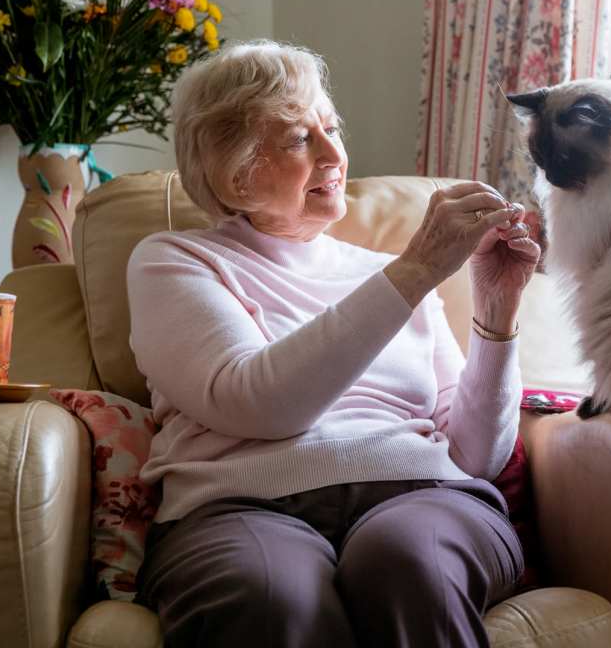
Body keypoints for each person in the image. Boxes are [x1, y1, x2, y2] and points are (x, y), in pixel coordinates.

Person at [127, 40, 541, 647]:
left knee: (408, 561)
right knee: (269, 595)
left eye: (331, 127)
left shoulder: (397, 277)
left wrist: (496, 313)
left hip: (423, 495)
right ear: (233, 172)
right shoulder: (176, 261)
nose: (334, 154)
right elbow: (257, 403)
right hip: (240, 507)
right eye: (299, 138)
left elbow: (476, 455)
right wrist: (415, 270)